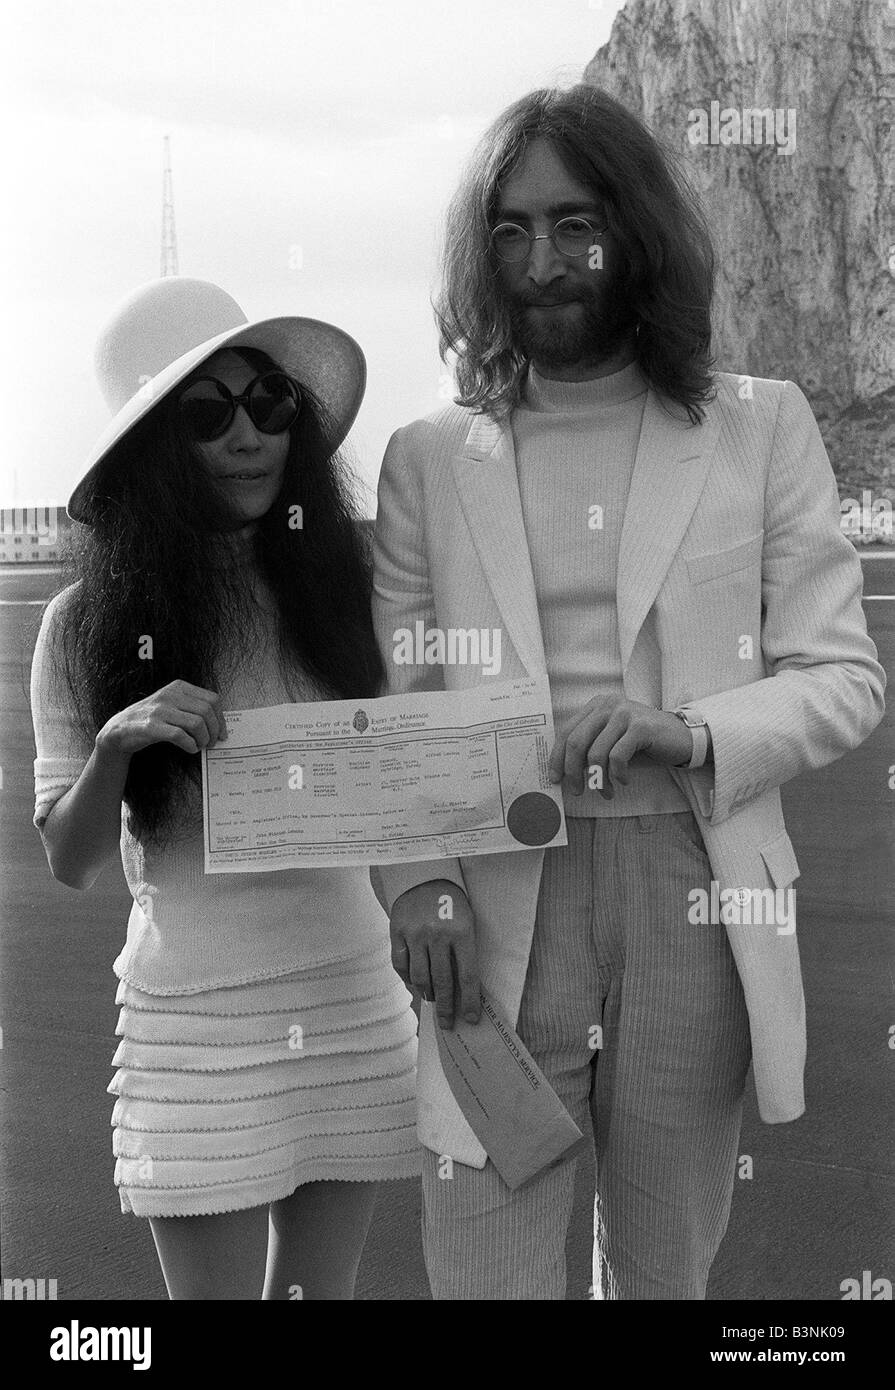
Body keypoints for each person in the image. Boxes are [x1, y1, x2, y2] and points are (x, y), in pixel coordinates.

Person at [370, 85, 886, 1299]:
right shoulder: (428, 458)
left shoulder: (760, 427)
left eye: (571, 224)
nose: (538, 260)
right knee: (487, 1273)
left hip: (693, 889)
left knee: (664, 1274)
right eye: (507, 229)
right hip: (488, 894)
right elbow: (393, 709)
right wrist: (421, 886)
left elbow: (844, 675)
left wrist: (690, 730)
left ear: (633, 231)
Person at [30, 276, 420, 1300]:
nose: (250, 436)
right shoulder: (83, 625)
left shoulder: (352, 587)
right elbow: (67, 860)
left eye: (270, 403)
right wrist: (118, 745)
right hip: (192, 1022)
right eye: (209, 414)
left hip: (348, 993)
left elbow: (426, 765)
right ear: (156, 451)